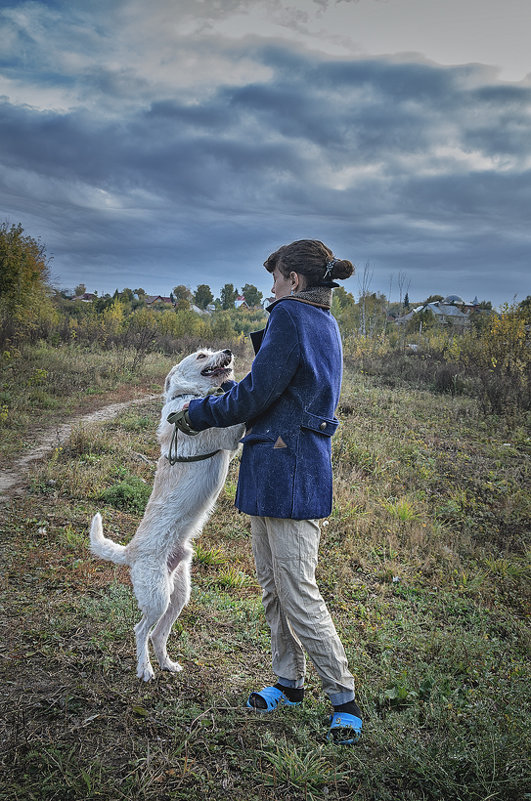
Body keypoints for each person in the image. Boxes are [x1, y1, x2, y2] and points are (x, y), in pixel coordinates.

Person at [178, 239, 362, 744]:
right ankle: (289, 681)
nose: (271, 290)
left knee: (297, 590)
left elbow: (256, 393)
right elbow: (275, 392)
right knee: (271, 586)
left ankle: (344, 697)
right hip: (277, 465)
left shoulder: (292, 316)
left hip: (290, 469)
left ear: (295, 282)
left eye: (276, 279)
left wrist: (197, 414)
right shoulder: (322, 321)